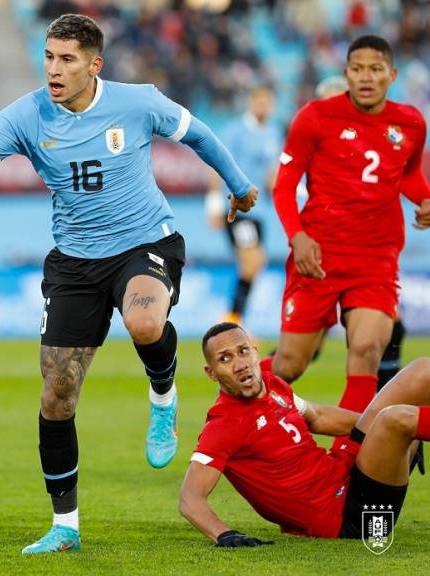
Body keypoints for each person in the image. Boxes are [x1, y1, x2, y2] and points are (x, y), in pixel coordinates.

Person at [0, 13, 258, 554]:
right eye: (49, 58)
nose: (54, 70)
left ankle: (163, 394)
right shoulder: (26, 115)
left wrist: (240, 186)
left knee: (145, 321)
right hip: (74, 264)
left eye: (67, 60)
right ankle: (65, 527)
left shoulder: (137, 102)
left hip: (144, 243)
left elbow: (198, 134)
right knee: (57, 395)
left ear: (94, 64)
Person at [270, 36, 430, 419]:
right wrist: (298, 236)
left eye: (376, 69)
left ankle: (349, 461)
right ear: (346, 74)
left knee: (367, 351)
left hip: (376, 257)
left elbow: (407, 175)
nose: (366, 77)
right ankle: (234, 415)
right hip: (318, 255)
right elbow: (285, 185)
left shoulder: (410, 122)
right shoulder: (316, 116)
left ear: (391, 75)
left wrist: (425, 199)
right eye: (357, 69)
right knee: (290, 364)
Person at [181, 321, 430, 544]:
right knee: (396, 419)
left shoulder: (273, 385)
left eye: (243, 351)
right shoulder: (223, 425)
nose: (240, 364)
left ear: (255, 352)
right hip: (351, 517)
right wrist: (224, 534)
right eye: (225, 359)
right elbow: (190, 498)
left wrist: (380, 439)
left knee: (422, 370)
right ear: (211, 373)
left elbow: (318, 417)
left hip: (348, 472)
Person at [205, 86, 282, 325]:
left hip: (259, 210)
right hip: (236, 207)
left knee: (255, 263)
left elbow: (272, 173)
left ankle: (235, 319)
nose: (264, 106)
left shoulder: (273, 132)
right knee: (251, 261)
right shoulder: (235, 131)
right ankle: (232, 320)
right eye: (259, 100)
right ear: (251, 102)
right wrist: (213, 203)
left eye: (268, 102)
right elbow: (217, 164)